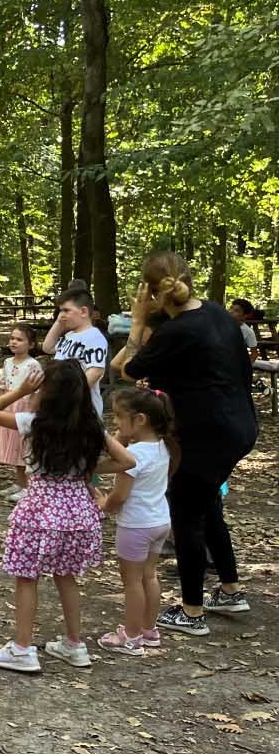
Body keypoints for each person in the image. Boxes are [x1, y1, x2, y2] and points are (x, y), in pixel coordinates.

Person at [115, 250, 256, 636]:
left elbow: (129, 370)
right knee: (208, 503)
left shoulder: (176, 331)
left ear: (152, 292)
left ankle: (192, 612)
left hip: (206, 436)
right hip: (239, 427)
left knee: (186, 515)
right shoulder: (217, 314)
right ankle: (229, 589)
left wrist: (139, 321)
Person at [0, 359, 133, 673]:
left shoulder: (34, 423)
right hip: (78, 511)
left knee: (27, 577)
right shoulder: (92, 428)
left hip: (40, 509)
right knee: (67, 577)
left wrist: (20, 390)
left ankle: (22, 647)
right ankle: (74, 645)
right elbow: (127, 460)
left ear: (46, 392)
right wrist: (89, 469)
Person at [93, 386, 178, 655]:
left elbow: (119, 495)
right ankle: (148, 630)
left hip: (136, 525)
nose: (115, 423)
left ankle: (129, 636)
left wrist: (103, 504)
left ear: (140, 419)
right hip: (160, 521)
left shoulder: (136, 456)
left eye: (119, 416)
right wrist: (119, 435)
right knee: (149, 577)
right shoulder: (163, 446)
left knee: (131, 582)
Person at [43, 282, 108, 420]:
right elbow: (47, 347)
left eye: (66, 310)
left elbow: (95, 372)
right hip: (63, 408)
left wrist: (68, 397)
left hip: (81, 412)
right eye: (60, 310)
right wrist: (59, 323)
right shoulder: (70, 335)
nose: (61, 315)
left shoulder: (94, 336)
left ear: (83, 311)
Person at [0, 325, 43, 502]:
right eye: (12, 338)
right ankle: (20, 483)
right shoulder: (7, 362)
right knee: (13, 448)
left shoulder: (33, 364)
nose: (14, 342)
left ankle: (29, 487)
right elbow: (3, 385)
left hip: (24, 408)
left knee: (24, 449)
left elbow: (37, 391)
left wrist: (33, 410)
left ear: (31, 344)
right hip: (8, 406)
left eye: (19, 339)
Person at [229, 298, 260, 364]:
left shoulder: (248, 331)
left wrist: (244, 369)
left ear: (245, 315)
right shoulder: (219, 324)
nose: (231, 311)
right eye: (231, 308)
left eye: (236, 311)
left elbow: (254, 354)